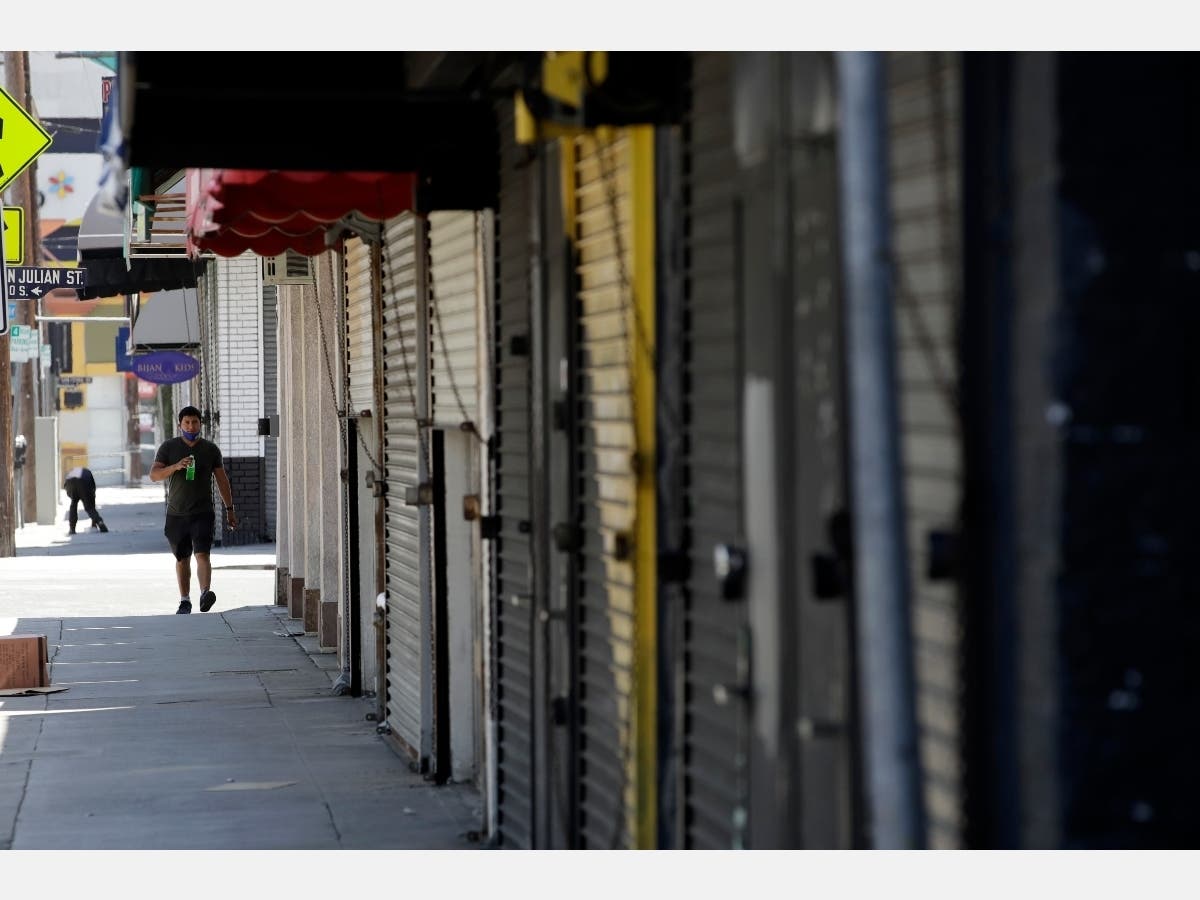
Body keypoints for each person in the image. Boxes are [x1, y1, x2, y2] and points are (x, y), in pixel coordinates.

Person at [150, 405, 238, 614]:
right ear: (180, 424)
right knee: (182, 558)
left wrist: (230, 509)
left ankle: (205, 593)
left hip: (203, 512)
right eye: (187, 422)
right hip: (176, 513)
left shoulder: (210, 449)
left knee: (202, 554)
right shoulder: (169, 447)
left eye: (195, 422)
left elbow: (222, 481)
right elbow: (154, 475)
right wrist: (175, 466)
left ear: (201, 424)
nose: (191, 425)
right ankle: (185, 600)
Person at [62, 466, 107, 534]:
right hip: (83, 482)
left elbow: (65, 486)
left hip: (70, 482)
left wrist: (73, 496)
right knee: (89, 507)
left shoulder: (73, 471)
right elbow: (92, 492)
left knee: (73, 505)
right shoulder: (88, 473)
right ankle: (99, 522)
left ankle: (72, 529)